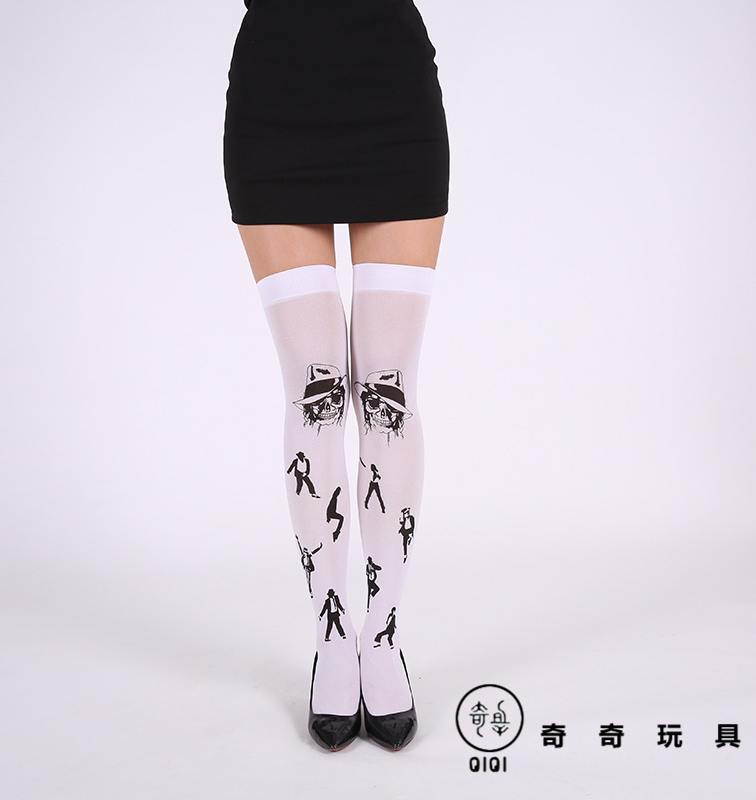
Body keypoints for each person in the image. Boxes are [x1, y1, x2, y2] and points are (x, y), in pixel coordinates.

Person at [223, 0, 449, 752]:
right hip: (275, 97)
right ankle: (332, 634)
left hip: (393, 94)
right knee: (314, 391)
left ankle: (382, 637)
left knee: (386, 391)